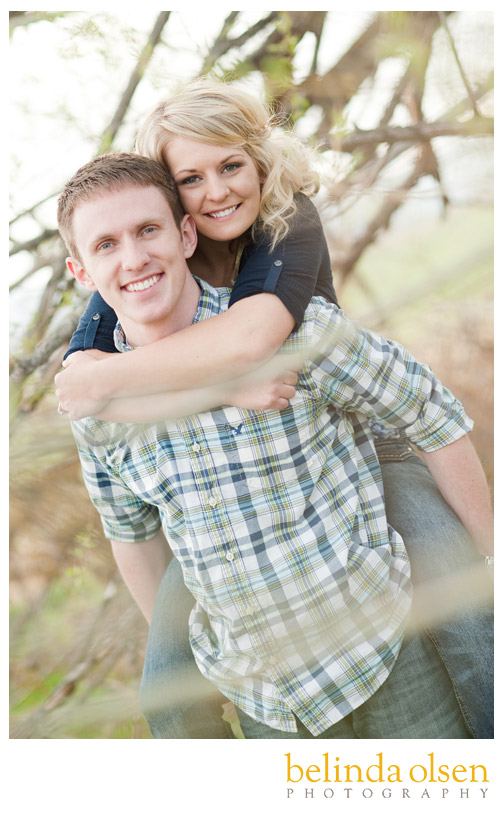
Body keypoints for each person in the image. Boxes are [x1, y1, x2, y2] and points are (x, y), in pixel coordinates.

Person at [55, 79, 493, 739]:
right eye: (193, 178)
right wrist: (89, 381)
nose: (218, 191)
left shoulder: (288, 228)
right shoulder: (126, 295)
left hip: (375, 483)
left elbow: (260, 337)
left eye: (232, 166)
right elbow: (127, 518)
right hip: (266, 688)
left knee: (466, 608)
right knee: (166, 687)